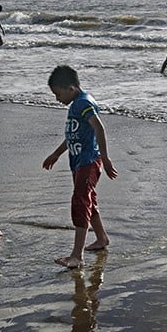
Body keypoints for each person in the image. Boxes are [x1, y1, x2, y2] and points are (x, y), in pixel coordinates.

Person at [43, 65, 118, 269]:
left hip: (88, 162)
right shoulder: (76, 104)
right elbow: (72, 136)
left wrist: (106, 158)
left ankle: (77, 255)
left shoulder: (83, 102)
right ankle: (102, 238)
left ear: (71, 88)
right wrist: (56, 154)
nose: (57, 98)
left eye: (58, 94)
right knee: (89, 201)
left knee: (80, 202)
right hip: (79, 163)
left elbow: (99, 127)